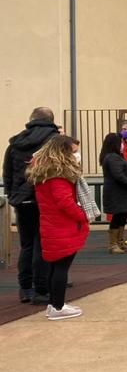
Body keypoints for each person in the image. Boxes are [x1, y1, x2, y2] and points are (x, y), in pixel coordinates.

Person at [25, 136, 89, 320]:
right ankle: (58, 307)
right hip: (62, 227)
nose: (76, 155)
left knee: (55, 267)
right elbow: (65, 202)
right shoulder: (58, 174)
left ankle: (55, 304)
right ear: (63, 152)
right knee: (61, 268)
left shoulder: (44, 172)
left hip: (52, 226)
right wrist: (82, 216)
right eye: (73, 151)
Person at [3, 106, 60, 304]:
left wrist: (14, 195)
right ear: (52, 120)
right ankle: (41, 289)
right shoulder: (54, 141)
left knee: (26, 245)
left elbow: (7, 173)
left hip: (22, 201)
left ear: (31, 119)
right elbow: (59, 171)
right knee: (42, 244)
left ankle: (25, 288)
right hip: (45, 199)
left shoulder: (16, 142)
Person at [99, 132, 127, 255]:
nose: (123, 144)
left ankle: (119, 241)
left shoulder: (114, 156)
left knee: (122, 216)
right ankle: (113, 244)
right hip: (118, 193)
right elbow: (118, 175)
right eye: (121, 142)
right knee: (118, 217)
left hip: (121, 193)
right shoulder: (112, 157)